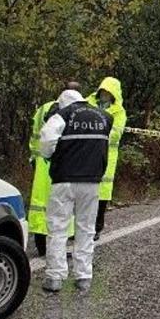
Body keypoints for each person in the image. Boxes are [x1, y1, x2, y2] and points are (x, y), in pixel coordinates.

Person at [38, 89, 112, 292]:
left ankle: (55, 277)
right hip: (92, 181)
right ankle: (84, 276)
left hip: (64, 180)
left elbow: (46, 139)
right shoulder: (104, 117)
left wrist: (49, 155)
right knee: (86, 229)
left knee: (57, 228)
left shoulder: (62, 115)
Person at [28, 81, 80, 256]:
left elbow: (36, 135)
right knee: (62, 205)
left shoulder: (44, 108)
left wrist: (34, 157)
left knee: (41, 206)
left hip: (42, 164)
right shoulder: (75, 113)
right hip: (62, 164)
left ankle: (42, 246)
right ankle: (57, 249)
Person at [86, 77, 127, 242]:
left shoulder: (118, 111)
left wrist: (97, 135)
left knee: (101, 197)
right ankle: (78, 228)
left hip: (106, 156)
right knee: (84, 193)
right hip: (87, 154)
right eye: (103, 92)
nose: (105, 95)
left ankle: (96, 227)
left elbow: (116, 133)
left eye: (109, 93)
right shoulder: (88, 103)